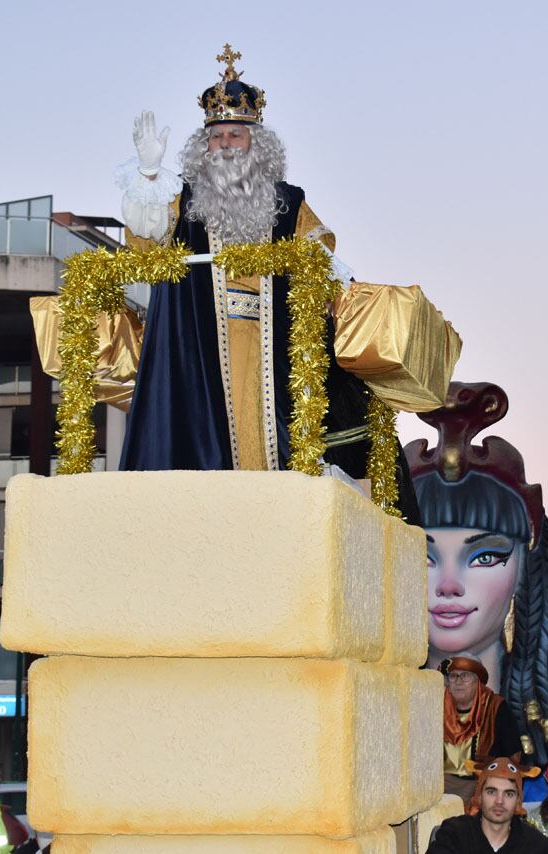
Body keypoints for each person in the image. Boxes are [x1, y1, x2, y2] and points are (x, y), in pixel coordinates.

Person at [109, 45, 430, 517]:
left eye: (236, 135)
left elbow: (322, 258)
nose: (225, 146)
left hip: (273, 341)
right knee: (206, 442)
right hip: (199, 349)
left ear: (257, 144)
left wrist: (332, 282)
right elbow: (146, 246)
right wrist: (149, 175)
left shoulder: (287, 201)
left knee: (281, 440)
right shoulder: (182, 200)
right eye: (216, 137)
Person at [408, 382, 548, 763]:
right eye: (423, 558)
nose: (449, 586)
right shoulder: (369, 726)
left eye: (484, 557)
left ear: (527, 569)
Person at [417, 757, 548, 854]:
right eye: (491, 792)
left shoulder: (535, 844)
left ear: (518, 801)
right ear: (479, 796)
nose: (499, 801)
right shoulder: (456, 831)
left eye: (508, 794)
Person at [442, 655, 522, 796]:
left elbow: (512, 756)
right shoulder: (438, 705)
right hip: (441, 783)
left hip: (480, 785)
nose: (458, 682)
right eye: (453, 676)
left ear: (477, 681)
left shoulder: (495, 707)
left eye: (465, 676)